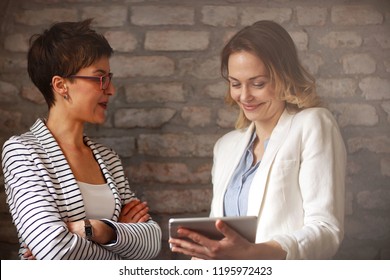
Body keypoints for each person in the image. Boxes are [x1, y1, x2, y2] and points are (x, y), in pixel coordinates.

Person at [169, 20, 346, 259]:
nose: (245, 96)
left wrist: (254, 253)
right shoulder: (226, 147)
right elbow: (219, 237)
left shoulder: (313, 123)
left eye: (258, 84)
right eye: (235, 84)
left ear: (284, 77)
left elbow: (326, 230)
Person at [1, 19, 161, 260]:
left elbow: (151, 241)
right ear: (61, 85)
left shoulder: (108, 158)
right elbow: (56, 250)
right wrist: (121, 236)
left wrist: (100, 230)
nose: (111, 89)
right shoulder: (22, 152)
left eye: (110, 77)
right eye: (100, 78)